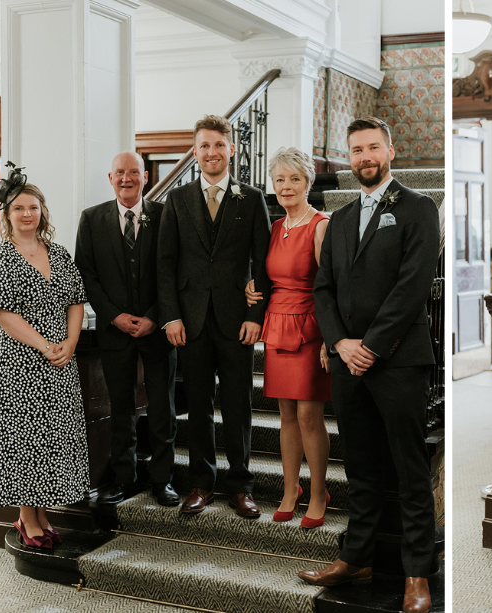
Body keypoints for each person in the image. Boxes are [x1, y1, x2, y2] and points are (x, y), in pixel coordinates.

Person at [299, 117, 440, 613]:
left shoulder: (419, 208)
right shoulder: (338, 220)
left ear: (391, 151)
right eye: (356, 150)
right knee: (359, 466)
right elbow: (324, 289)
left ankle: (417, 574)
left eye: (373, 148)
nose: (365, 157)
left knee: (409, 469)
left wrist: (371, 346)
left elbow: (412, 286)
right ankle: (355, 558)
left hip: (398, 361)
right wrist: (339, 343)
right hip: (346, 363)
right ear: (349, 157)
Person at [157, 115, 271, 518]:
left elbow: (265, 261)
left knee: (239, 404)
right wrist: (170, 317)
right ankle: (201, 483)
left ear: (231, 149)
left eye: (219, 145)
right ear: (195, 150)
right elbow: (165, 262)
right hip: (190, 321)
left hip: (237, 320)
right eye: (204, 146)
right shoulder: (179, 198)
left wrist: (256, 314)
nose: (211, 153)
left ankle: (241, 485)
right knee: (200, 406)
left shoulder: (252, 198)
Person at [0, 164, 89, 548]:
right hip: (18, 362)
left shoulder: (59, 254)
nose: (27, 214)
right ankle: (25, 518)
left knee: (51, 437)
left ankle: (41, 513)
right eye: (19, 209)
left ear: (42, 211)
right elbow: (2, 313)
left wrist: (71, 342)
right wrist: (45, 345)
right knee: (23, 437)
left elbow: (76, 301)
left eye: (33, 207)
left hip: (60, 360)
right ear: (8, 215)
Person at [75, 152, 178, 507]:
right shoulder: (91, 219)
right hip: (114, 332)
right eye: (120, 172)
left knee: (162, 406)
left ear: (145, 177)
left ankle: (163, 480)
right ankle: (122, 478)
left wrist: (155, 315)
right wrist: (114, 316)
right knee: (120, 407)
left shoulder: (165, 216)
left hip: (157, 330)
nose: (126, 178)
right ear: (110, 177)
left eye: (133, 172)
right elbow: (86, 273)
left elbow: (174, 272)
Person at [244, 147, 332, 526]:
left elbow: (332, 285)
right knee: (285, 414)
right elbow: (264, 276)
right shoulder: (274, 228)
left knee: (310, 415)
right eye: (279, 179)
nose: (286, 186)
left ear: (307, 182)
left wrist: (332, 338)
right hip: (277, 325)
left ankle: (318, 493)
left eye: (294, 178)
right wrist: (249, 288)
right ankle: (290, 488)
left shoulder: (321, 225)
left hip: (311, 327)